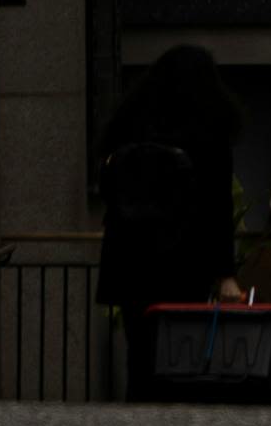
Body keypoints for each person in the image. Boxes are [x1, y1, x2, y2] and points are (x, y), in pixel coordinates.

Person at [93, 44, 239, 400]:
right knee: (182, 361)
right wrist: (226, 273)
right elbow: (218, 208)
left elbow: (108, 189)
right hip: (184, 265)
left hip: (131, 266)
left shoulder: (131, 126)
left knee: (139, 359)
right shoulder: (209, 133)